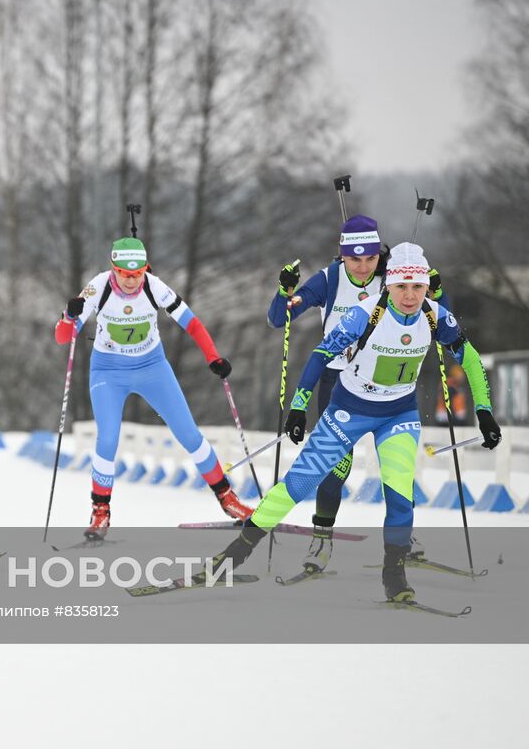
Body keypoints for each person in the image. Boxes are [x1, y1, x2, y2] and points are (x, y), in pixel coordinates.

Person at [208, 243, 501, 601]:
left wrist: (484, 411)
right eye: (401, 287)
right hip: (348, 410)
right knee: (298, 485)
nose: (410, 296)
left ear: (427, 287)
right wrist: (299, 406)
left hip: (399, 414)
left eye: (418, 287)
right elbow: (321, 355)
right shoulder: (365, 314)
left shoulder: (436, 316)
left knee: (399, 496)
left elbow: (470, 359)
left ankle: (395, 577)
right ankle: (236, 552)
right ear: (388, 286)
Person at [268, 214, 450, 569]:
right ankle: (321, 541)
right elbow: (280, 318)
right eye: (355, 259)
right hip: (337, 382)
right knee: (337, 465)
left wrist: (439, 290)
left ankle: (404, 538)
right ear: (342, 256)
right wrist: (284, 292)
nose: (365, 267)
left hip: (389, 384)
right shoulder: (329, 279)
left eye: (371, 259)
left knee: (397, 465)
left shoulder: (393, 274)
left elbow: (436, 313)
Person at [56, 237, 252, 540]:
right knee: (107, 439)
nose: (132, 280)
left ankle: (228, 498)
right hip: (108, 371)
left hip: (151, 368)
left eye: (138, 273)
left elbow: (193, 324)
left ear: (145, 269)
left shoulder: (154, 286)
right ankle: (100, 512)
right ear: (113, 269)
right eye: (125, 273)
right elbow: (62, 337)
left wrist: (213, 357)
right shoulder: (98, 287)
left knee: (189, 434)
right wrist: (70, 315)